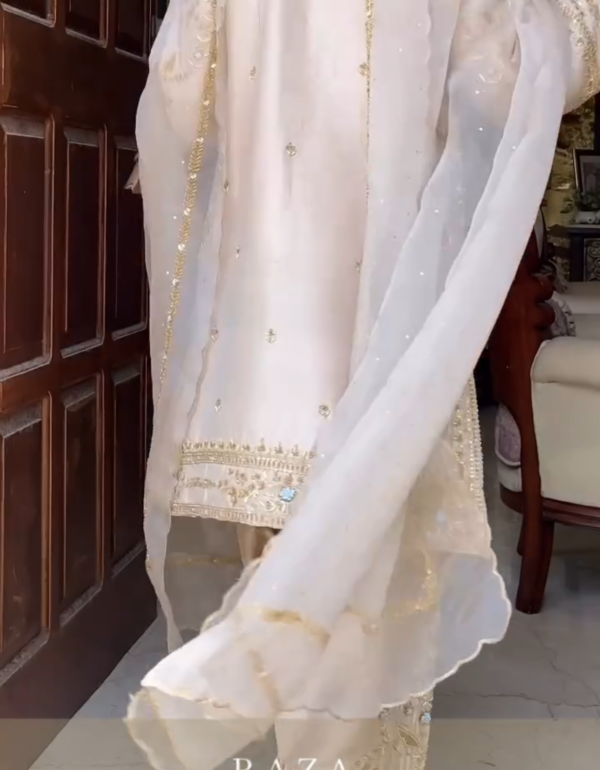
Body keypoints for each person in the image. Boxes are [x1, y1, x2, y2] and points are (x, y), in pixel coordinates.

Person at [128, 1, 600, 768]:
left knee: (276, 613)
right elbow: (506, 71)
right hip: (371, 355)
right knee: (354, 626)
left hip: (243, 361)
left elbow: (178, 88)